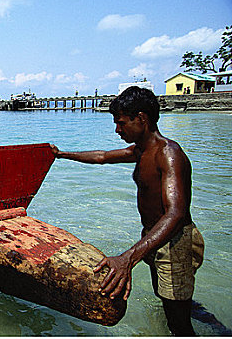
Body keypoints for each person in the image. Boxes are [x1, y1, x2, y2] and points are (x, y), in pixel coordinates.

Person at [51, 86, 204, 336]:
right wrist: (62, 155)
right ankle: (204, 317)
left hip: (174, 240)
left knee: (179, 324)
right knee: (167, 299)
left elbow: (175, 214)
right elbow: (101, 156)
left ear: (141, 119)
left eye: (121, 123)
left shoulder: (168, 154)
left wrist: (127, 259)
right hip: (154, 237)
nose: (117, 130)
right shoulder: (141, 150)